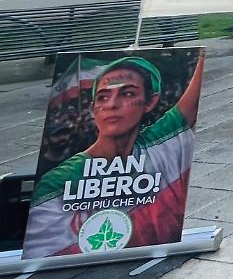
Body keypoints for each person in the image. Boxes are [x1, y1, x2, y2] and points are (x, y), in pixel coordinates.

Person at [24, 53, 204, 258]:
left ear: (150, 102)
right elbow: (43, 254)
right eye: (102, 97)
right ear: (93, 109)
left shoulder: (159, 143)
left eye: (127, 94)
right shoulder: (58, 183)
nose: (111, 105)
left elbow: (191, 102)